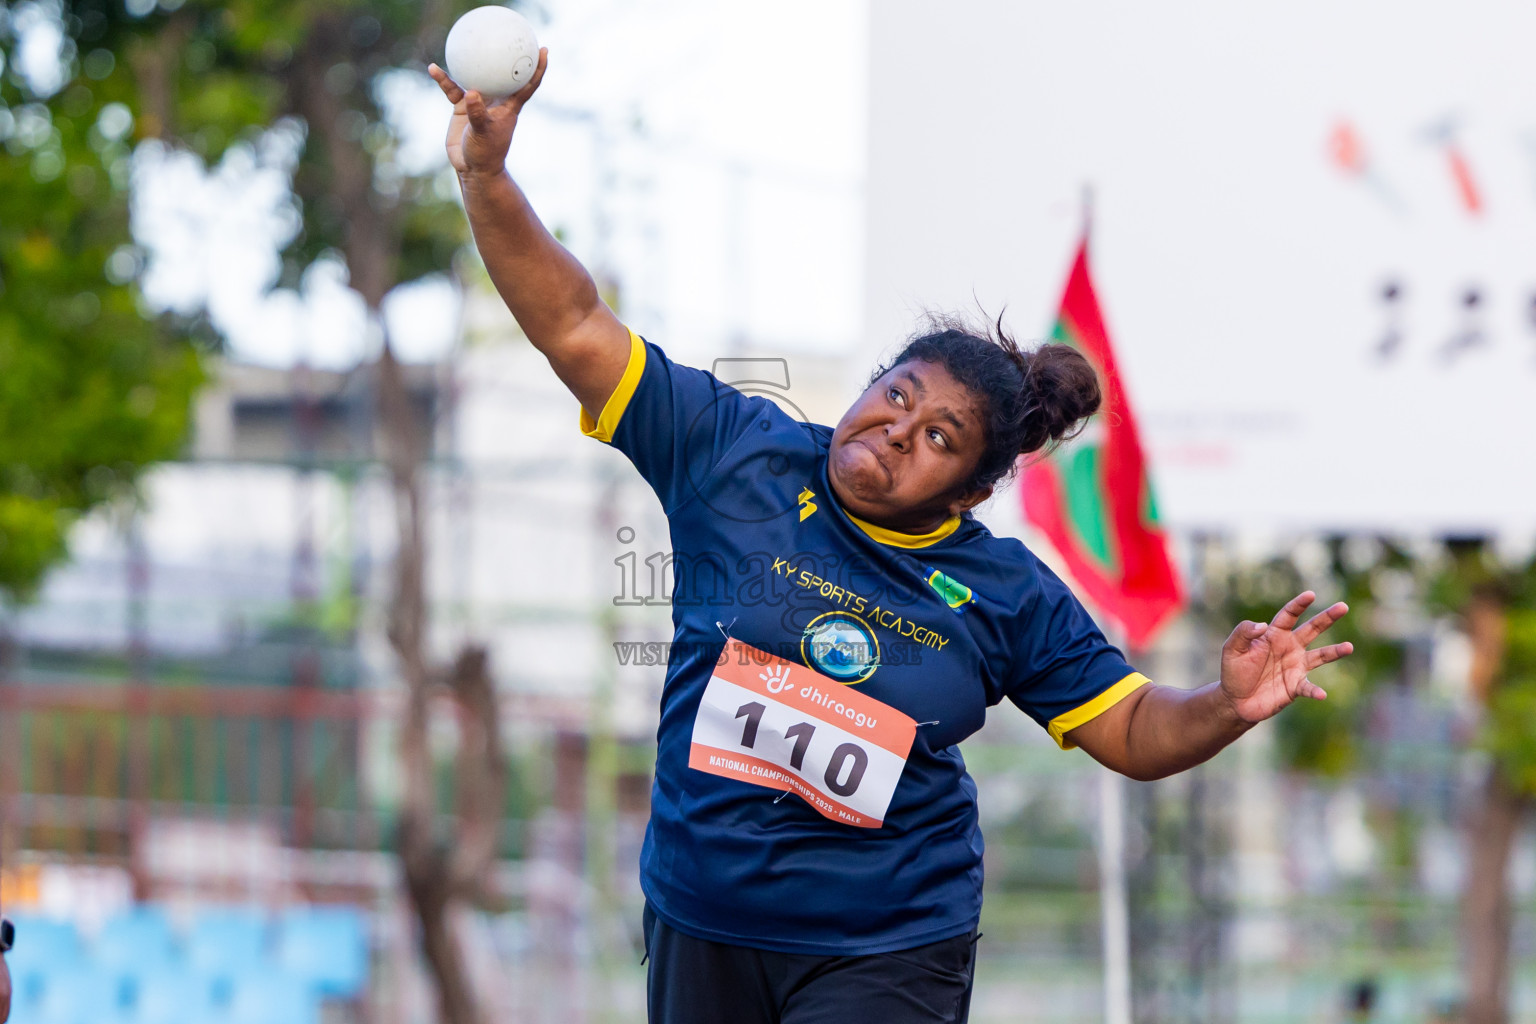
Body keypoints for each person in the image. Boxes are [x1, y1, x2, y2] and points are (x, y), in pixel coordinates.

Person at [428, 51, 1353, 1024]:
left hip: (888, 942)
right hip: (701, 916)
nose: (898, 432)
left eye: (940, 438)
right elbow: (574, 325)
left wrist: (1227, 702)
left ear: (970, 490)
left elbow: (1127, 726)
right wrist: (487, 177)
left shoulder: (1004, 591)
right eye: (896, 396)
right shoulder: (733, 452)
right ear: (870, 383)